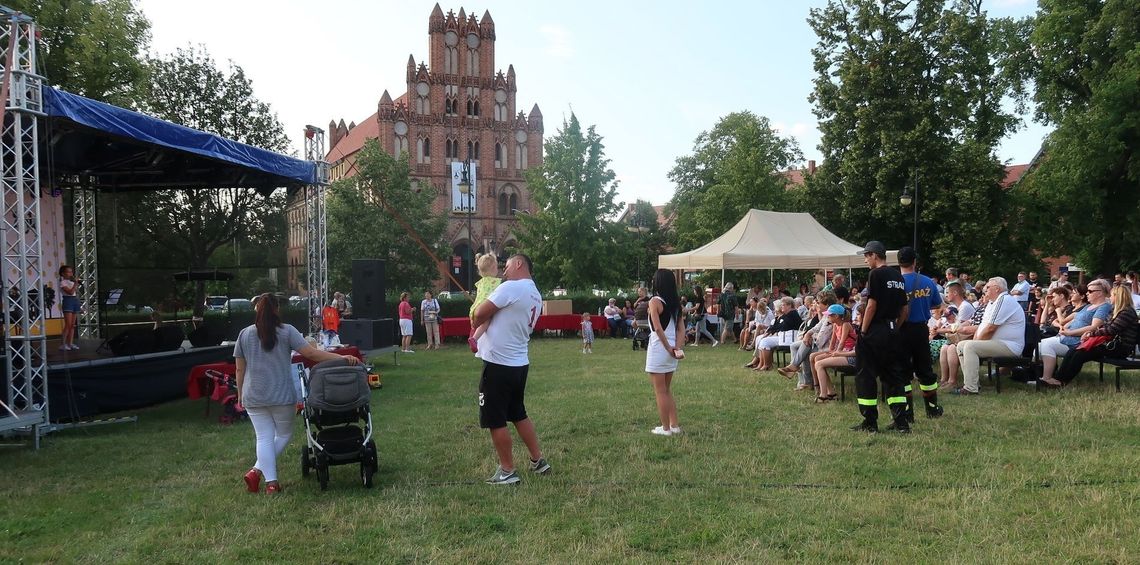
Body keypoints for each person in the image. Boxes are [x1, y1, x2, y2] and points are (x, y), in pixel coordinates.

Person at [237, 293, 360, 494]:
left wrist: (240, 393)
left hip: (253, 394)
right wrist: (341, 358)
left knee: (263, 437)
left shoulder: (244, 334)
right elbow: (311, 353)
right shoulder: (287, 332)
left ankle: (270, 482)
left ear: (257, 310)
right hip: (281, 394)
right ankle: (257, 473)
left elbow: (240, 369)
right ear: (277, 310)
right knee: (283, 435)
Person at [471, 253, 550, 485]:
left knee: (495, 419)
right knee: (518, 413)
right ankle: (538, 461)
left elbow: (479, 314)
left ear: (519, 264)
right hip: (518, 363)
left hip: (498, 364)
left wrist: (476, 319)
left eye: (506, 266)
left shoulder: (512, 288)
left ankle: (507, 471)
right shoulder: (534, 293)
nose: (503, 272)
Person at [851, 241, 910, 433]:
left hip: (875, 330)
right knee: (893, 376)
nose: (866, 260)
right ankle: (901, 422)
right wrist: (893, 327)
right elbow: (905, 309)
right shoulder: (897, 276)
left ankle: (870, 422)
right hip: (892, 330)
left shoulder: (875, 274)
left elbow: (871, 305)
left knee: (866, 375)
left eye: (867, 256)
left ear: (874, 255)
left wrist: (864, 330)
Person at [1049, 284, 1139, 386]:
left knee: (1080, 354)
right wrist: (1091, 333)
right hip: (1110, 345)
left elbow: (1111, 330)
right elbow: (1105, 326)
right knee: (1074, 350)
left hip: (1119, 348)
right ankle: (1058, 378)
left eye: (1112, 295)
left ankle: (1062, 381)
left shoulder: (1127, 312)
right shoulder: (1116, 311)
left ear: (1118, 296)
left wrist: (1090, 334)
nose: (1110, 298)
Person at [954, 277, 1025, 395]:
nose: (984, 290)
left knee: (970, 346)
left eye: (987, 287)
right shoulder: (993, 303)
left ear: (997, 289)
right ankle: (972, 383)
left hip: (1010, 346)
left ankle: (970, 388)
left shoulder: (1004, 300)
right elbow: (982, 326)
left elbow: (990, 329)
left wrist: (975, 342)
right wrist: (975, 340)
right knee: (961, 345)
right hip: (999, 343)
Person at [897, 247, 944, 421]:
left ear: (898, 262)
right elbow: (936, 305)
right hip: (920, 330)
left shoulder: (895, 282)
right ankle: (932, 409)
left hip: (901, 330)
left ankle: (908, 413)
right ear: (915, 262)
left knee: (903, 372)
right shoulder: (928, 282)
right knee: (925, 370)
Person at [644, 268, 686, 436]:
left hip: (659, 349)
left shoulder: (654, 301)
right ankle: (674, 425)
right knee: (667, 390)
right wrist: (676, 347)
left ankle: (665, 428)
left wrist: (668, 348)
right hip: (672, 351)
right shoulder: (676, 304)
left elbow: (657, 328)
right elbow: (681, 330)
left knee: (660, 391)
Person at [1037, 283, 1103, 383]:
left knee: (1045, 345)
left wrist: (1068, 331)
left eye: (1090, 292)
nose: (1071, 294)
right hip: (1064, 335)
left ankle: (1049, 378)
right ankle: (1040, 375)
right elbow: (1054, 322)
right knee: (1037, 347)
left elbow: (1093, 327)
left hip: (1075, 339)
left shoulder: (1077, 309)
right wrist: (1063, 328)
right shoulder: (1086, 308)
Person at [812, 304, 857, 402]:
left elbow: (842, 343)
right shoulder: (835, 325)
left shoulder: (846, 324)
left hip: (850, 354)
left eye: (829, 315)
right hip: (842, 352)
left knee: (819, 364)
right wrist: (830, 352)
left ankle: (824, 395)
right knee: (816, 358)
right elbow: (833, 343)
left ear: (836, 316)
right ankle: (831, 392)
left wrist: (836, 353)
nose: (827, 317)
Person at [468, 253, 503, 353]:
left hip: (475, 308)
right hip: (483, 308)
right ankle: (474, 339)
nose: (498, 269)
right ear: (493, 267)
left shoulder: (481, 282)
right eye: (497, 266)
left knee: (475, 324)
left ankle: (472, 334)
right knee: (486, 322)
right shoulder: (495, 282)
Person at [57, 265, 80, 351]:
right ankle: (63, 344)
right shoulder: (62, 282)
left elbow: (74, 293)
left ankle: (70, 343)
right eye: (68, 272)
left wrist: (75, 283)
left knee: (72, 325)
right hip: (68, 301)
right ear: (63, 273)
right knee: (68, 324)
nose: (71, 273)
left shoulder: (71, 282)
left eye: (71, 272)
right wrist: (75, 284)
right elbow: (70, 292)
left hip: (74, 301)